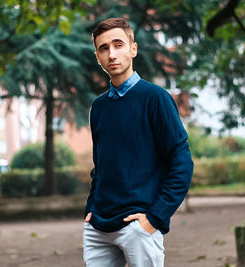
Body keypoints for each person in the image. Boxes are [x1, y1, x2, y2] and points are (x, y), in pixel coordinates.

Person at [83, 17, 194, 267]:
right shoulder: (99, 108)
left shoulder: (156, 99)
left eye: (118, 45)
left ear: (133, 49)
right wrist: (90, 210)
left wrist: (154, 218)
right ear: (97, 57)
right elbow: (100, 166)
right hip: (98, 227)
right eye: (104, 48)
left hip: (138, 225)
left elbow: (182, 164)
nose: (111, 54)